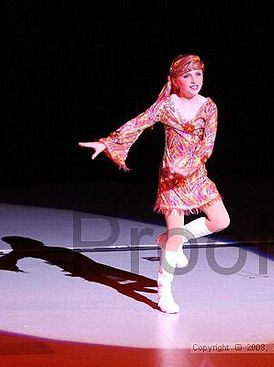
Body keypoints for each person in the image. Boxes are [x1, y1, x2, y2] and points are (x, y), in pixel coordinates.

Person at [78, 54, 230, 313]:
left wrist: (190, 166)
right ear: (175, 80)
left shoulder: (209, 107)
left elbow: (208, 145)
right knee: (174, 235)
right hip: (171, 178)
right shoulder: (167, 105)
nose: (194, 80)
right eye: (187, 75)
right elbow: (139, 123)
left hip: (195, 174)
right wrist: (107, 142)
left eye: (198, 74)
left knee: (221, 221)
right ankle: (165, 291)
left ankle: (173, 239)